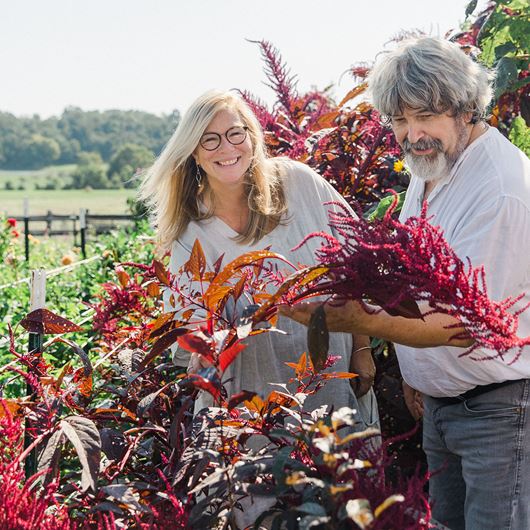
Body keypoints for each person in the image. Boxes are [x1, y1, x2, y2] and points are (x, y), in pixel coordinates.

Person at [281, 37, 530, 530]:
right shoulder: (434, 166)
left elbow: (457, 323)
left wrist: (354, 321)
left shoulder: (500, 191)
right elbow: (420, 287)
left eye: (425, 116)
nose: (412, 134)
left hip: (498, 415)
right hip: (444, 407)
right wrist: (418, 376)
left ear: (466, 108)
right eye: (399, 120)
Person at [139, 89, 379, 430]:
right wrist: (202, 352)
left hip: (329, 381)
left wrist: (362, 347)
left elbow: (352, 258)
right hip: (248, 404)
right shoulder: (191, 230)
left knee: (341, 475)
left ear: (252, 137)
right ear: (193, 151)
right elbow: (189, 324)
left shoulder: (299, 184)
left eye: (236, 133)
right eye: (209, 139)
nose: (226, 147)